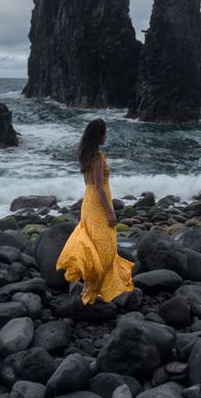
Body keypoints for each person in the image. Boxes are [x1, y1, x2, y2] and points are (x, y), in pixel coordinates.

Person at [55, 118, 134, 305]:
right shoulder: (97, 157)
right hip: (98, 204)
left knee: (93, 244)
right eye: (104, 133)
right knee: (104, 246)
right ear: (98, 135)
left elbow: (88, 184)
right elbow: (99, 187)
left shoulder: (85, 154)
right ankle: (93, 288)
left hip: (88, 201)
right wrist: (110, 212)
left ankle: (90, 286)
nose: (106, 136)